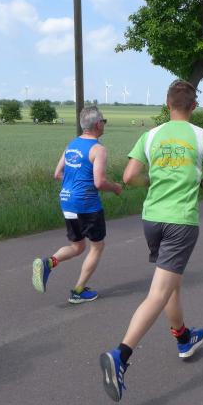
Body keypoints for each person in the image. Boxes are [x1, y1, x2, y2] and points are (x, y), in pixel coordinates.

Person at [99, 80, 203, 402]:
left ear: (167, 104)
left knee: (171, 284)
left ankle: (183, 337)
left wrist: (152, 179)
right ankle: (121, 355)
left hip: (151, 219)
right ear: (193, 106)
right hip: (181, 221)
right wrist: (198, 179)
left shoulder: (151, 135)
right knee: (158, 293)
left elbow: (129, 177)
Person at [32, 106, 123, 303]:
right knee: (97, 246)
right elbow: (99, 182)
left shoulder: (71, 145)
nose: (104, 124)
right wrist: (116, 187)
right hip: (87, 205)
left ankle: (49, 263)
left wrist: (74, 182)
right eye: (103, 121)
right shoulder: (98, 149)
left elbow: (58, 174)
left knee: (78, 246)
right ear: (97, 125)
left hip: (67, 201)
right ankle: (78, 291)